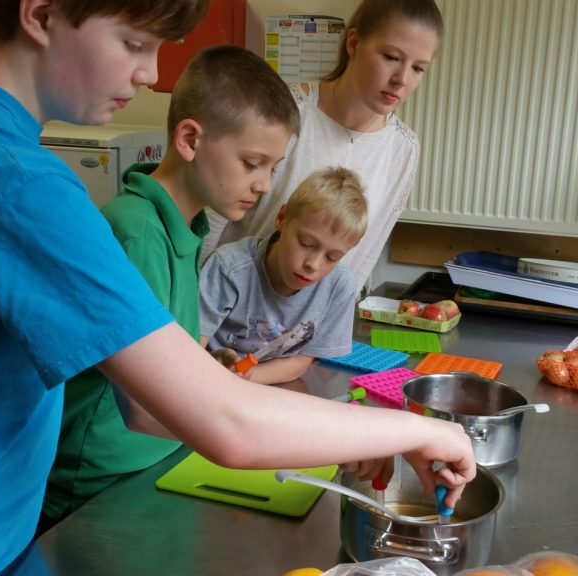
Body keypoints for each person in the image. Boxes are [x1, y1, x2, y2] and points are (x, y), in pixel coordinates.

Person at [0, 0, 475, 572]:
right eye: (134, 42)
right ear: (41, 12)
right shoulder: (20, 183)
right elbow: (219, 421)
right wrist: (411, 431)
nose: (151, 71)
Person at [41, 44, 299, 531]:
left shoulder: (188, 229)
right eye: (252, 162)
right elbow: (140, 406)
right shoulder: (137, 231)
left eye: (272, 167)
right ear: (189, 139)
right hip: (96, 484)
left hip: (152, 460)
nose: (265, 184)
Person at [202, 0, 444, 292]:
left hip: (306, 328)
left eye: (418, 68)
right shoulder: (284, 112)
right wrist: (191, 313)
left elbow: (365, 253)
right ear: (353, 43)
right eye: (391, 57)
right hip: (223, 308)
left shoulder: (403, 149)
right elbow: (212, 219)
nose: (401, 80)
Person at [200, 167, 365, 385]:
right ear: (281, 218)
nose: (313, 265)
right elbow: (192, 346)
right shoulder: (229, 268)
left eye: (332, 257)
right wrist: (221, 376)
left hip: (258, 382)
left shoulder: (339, 286)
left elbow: (301, 361)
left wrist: (244, 378)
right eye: (306, 244)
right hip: (209, 374)